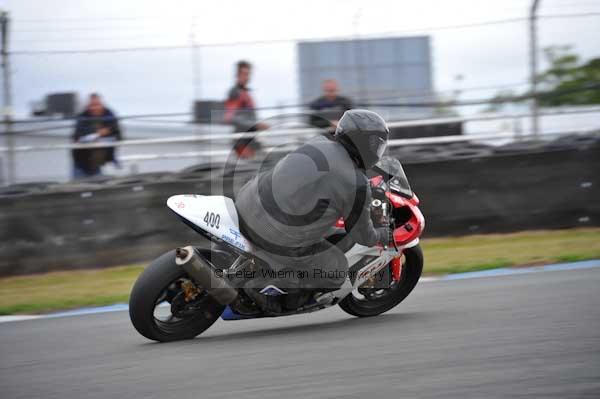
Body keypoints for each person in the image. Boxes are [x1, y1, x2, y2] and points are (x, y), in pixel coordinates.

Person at [234, 109, 391, 313]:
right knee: (336, 270)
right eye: (375, 144)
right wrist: (383, 233)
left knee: (323, 232)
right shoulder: (356, 183)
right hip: (273, 234)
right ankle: (266, 293)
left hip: (247, 202)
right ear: (363, 142)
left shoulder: (319, 143)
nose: (377, 150)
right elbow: (363, 235)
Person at [224, 60, 268, 159]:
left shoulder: (246, 92)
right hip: (242, 142)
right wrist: (255, 124)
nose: (247, 77)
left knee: (265, 162)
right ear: (237, 75)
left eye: (248, 74)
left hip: (251, 139)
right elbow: (229, 117)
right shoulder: (235, 92)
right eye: (244, 74)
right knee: (252, 169)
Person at [71, 94, 122, 179]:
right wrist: (98, 133)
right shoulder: (82, 116)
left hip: (98, 163)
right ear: (88, 106)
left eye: (97, 105)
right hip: (81, 162)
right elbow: (77, 135)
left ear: (102, 104)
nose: (94, 108)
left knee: (97, 184)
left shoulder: (110, 115)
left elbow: (118, 135)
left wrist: (106, 134)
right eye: (92, 105)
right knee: (77, 186)